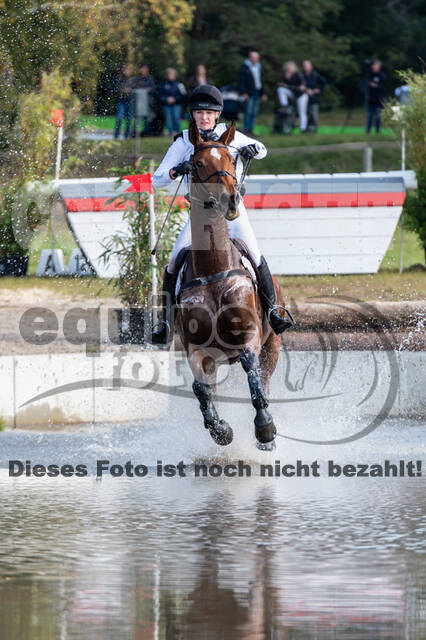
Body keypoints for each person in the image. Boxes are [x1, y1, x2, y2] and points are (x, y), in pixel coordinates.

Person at [151, 84, 291, 344]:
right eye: (199, 113)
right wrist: (176, 171)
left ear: (217, 115)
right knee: (173, 262)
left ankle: (273, 311)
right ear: (193, 115)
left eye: (209, 113)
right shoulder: (184, 142)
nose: (204, 117)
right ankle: (165, 323)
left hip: (232, 213)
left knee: (255, 254)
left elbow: (262, 149)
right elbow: (156, 180)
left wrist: (252, 150)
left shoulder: (232, 137)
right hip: (201, 217)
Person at [238, 51, 267, 134]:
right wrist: (244, 93)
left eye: (257, 58)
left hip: (257, 91)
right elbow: (241, 81)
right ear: (250, 58)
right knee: (248, 112)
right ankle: (246, 129)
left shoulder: (259, 67)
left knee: (254, 112)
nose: (256, 59)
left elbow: (261, 81)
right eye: (254, 57)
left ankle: (251, 129)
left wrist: (263, 93)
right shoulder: (245, 67)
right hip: (249, 92)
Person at [276, 61, 308, 133]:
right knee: (280, 89)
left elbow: (302, 83)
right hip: (293, 94)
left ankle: (303, 129)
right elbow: (284, 85)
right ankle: (285, 105)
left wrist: (302, 86)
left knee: (302, 112)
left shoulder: (298, 74)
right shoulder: (285, 75)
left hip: (301, 95)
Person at [158, 68, 186, 136]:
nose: (170, 76)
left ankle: (178, 132)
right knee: (168, 118)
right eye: (169, 74)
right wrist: (166, 99)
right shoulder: (163, 85)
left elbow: (184, 95)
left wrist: (175, 99)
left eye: (172, 74)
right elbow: (159, 95)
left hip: (177, 104)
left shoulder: (179, 84)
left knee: (176, 116)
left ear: (175, 75)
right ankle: (171, 133)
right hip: (166, 105)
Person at [302, 60, 327, 133]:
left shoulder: (315, 75)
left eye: (307, 66)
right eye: (304, 66)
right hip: (304, 98)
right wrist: (306, 90)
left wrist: (319, 89)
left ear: (311, 67)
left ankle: (314, 130)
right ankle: (305, 130)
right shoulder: (301, 75)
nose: (305, 67)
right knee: (305, 114)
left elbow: (324, 82)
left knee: (314, 114)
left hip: (313, 98)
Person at [131, 63, 156, 137]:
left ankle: (145, 134)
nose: (144, 71)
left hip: (147, 103)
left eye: (145, 69)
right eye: (143, 69)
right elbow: (133, 88)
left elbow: (153, 89)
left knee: (147, 119)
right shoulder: (136, 79)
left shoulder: (150, 79)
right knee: (138, 119)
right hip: (138, 103)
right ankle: (134, 134)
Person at [364, 60, 386, 134]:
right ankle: (368, 130)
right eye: (373, 65)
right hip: (370, 99)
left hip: (379, 100)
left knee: (378, 116)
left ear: (379, 67)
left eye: (376, 66)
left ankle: (377, 130)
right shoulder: (369, 74)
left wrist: (375, 86)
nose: (374, 67)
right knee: (369, 115)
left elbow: (384, 88)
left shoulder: (382, 76)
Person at [114, 63, 133, 139]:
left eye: (128, 70)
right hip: (121, 102)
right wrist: (123, 90)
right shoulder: (119, 79)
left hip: (130, 102)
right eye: (125, 70)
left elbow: (134, 89)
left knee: (129, 119)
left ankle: (126, 136)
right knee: (119, 118)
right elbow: (116, 89)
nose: (127, 71)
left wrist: (130, 90)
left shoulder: (132, 80)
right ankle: (116, 135)